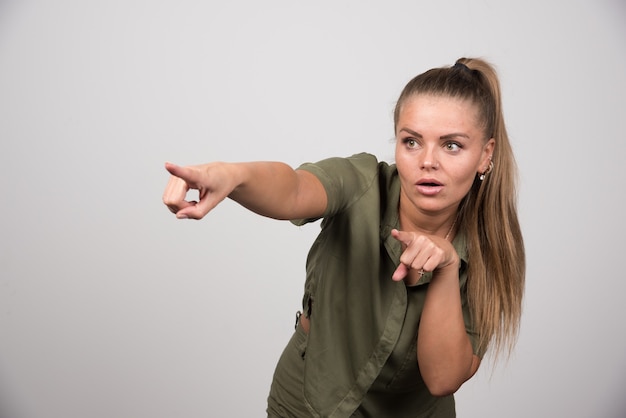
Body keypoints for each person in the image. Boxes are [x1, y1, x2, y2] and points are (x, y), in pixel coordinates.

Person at [162, 57, 525, 417]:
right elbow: (293, 189)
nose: (428, 161)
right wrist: (232, 176)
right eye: (412, 142)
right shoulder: (362, 181)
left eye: (451, 146)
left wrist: (446, 268)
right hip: (308, 402)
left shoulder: (494, 247)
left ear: (485, 155)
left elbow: (443, 379)